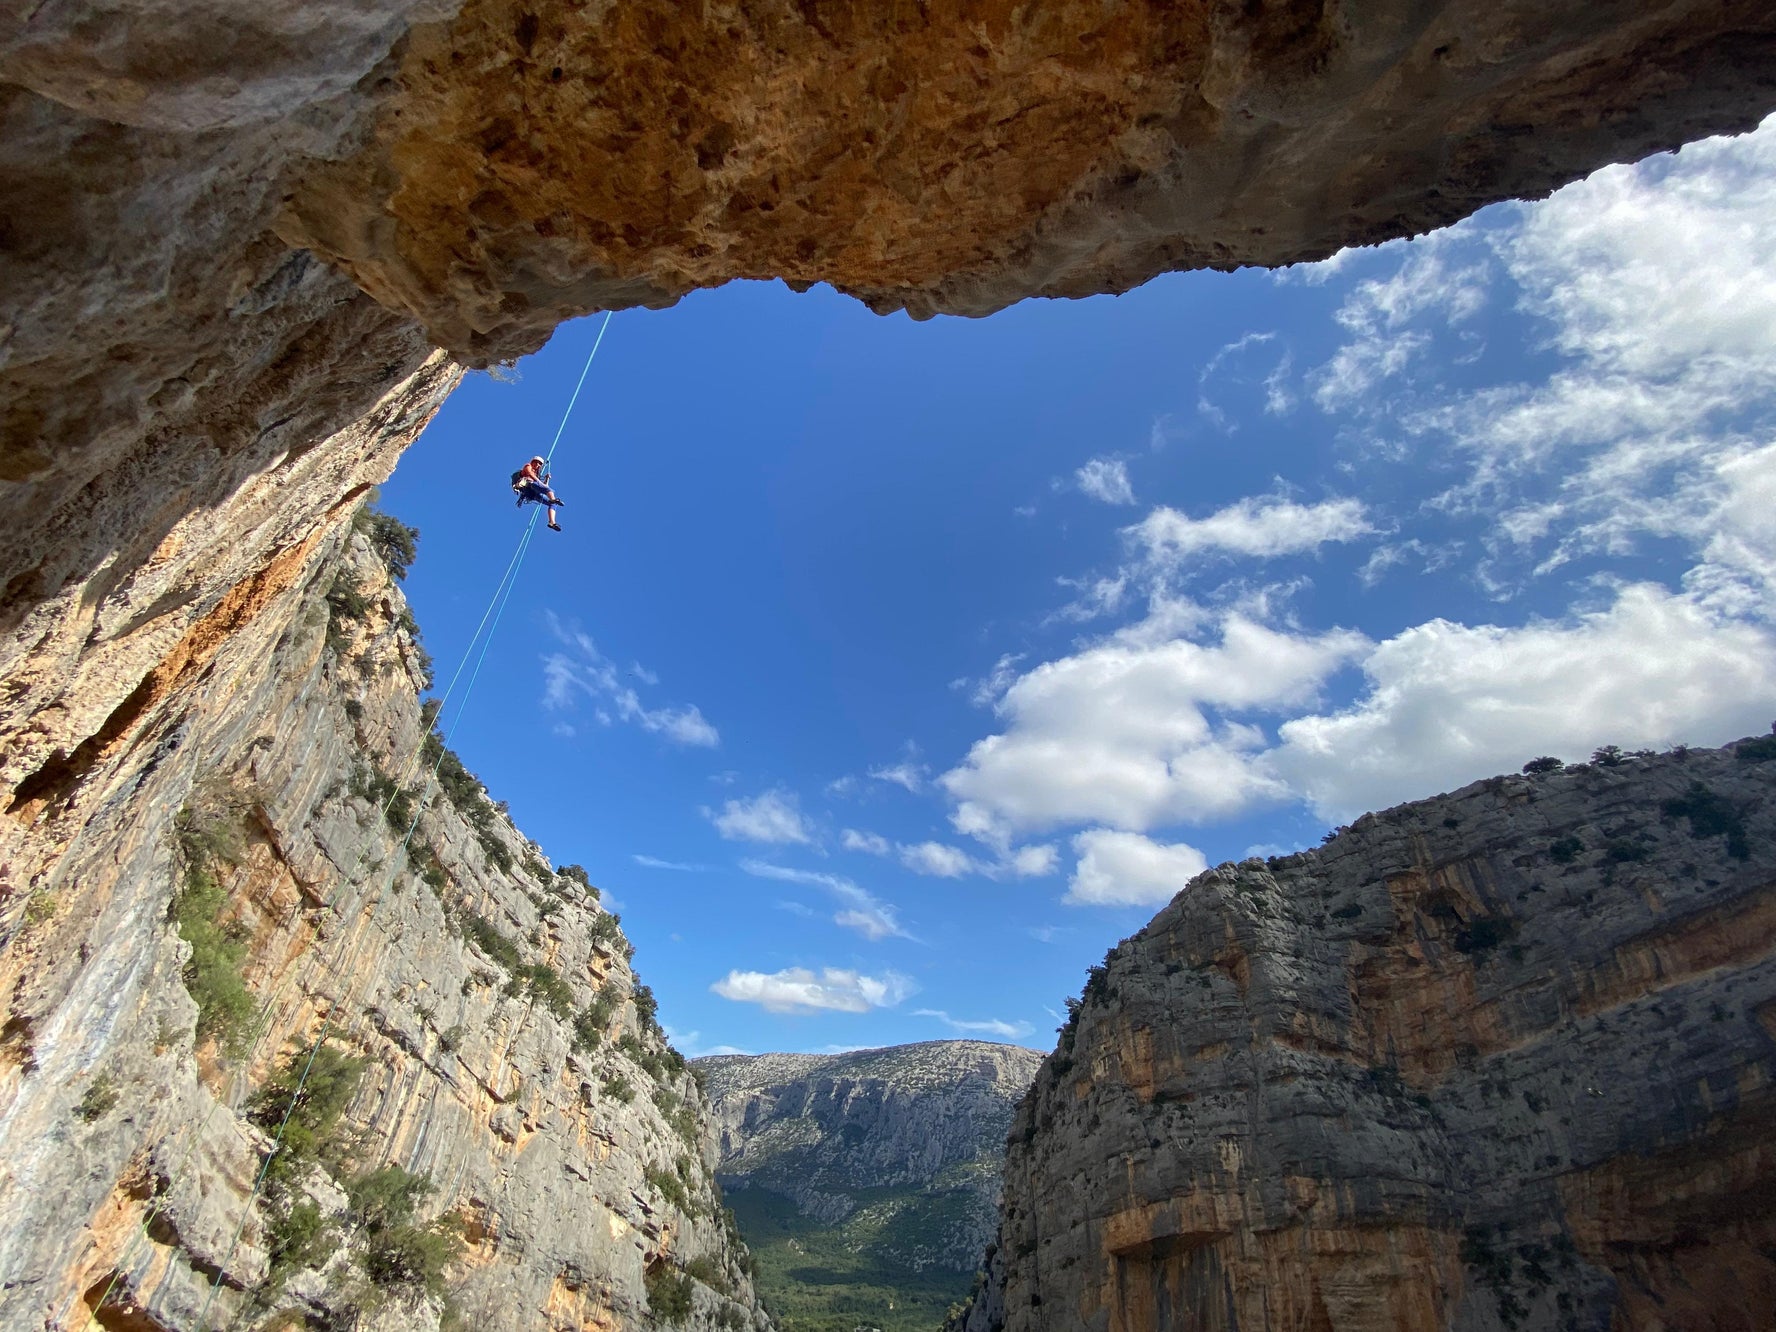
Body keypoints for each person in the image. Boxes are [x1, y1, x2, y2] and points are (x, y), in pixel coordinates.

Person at [511, 456, 565, 531]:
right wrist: (539, 482)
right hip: (528, 486)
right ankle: (553, 499)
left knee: (553, 504)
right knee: (550, 491)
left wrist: (546, 479)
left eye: (540, 464)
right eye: (538, 463)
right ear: (533, 462)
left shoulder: (536, 475)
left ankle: (552, 523)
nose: (539, 465)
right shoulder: (528, 466)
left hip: (533, 493)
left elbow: (544, 487)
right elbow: (529, 473)